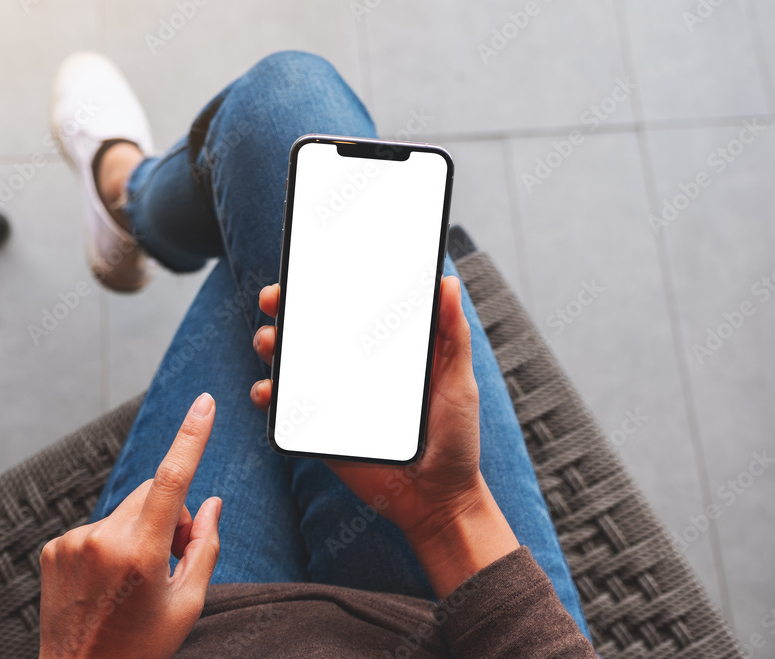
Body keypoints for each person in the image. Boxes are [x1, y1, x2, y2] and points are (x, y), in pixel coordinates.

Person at [38, 50, 598, 658]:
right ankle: (134, 199)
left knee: (278, 166)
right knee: (286, 118)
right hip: (474, 619)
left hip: (203, 634)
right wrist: (449, 511)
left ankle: (129, 198)